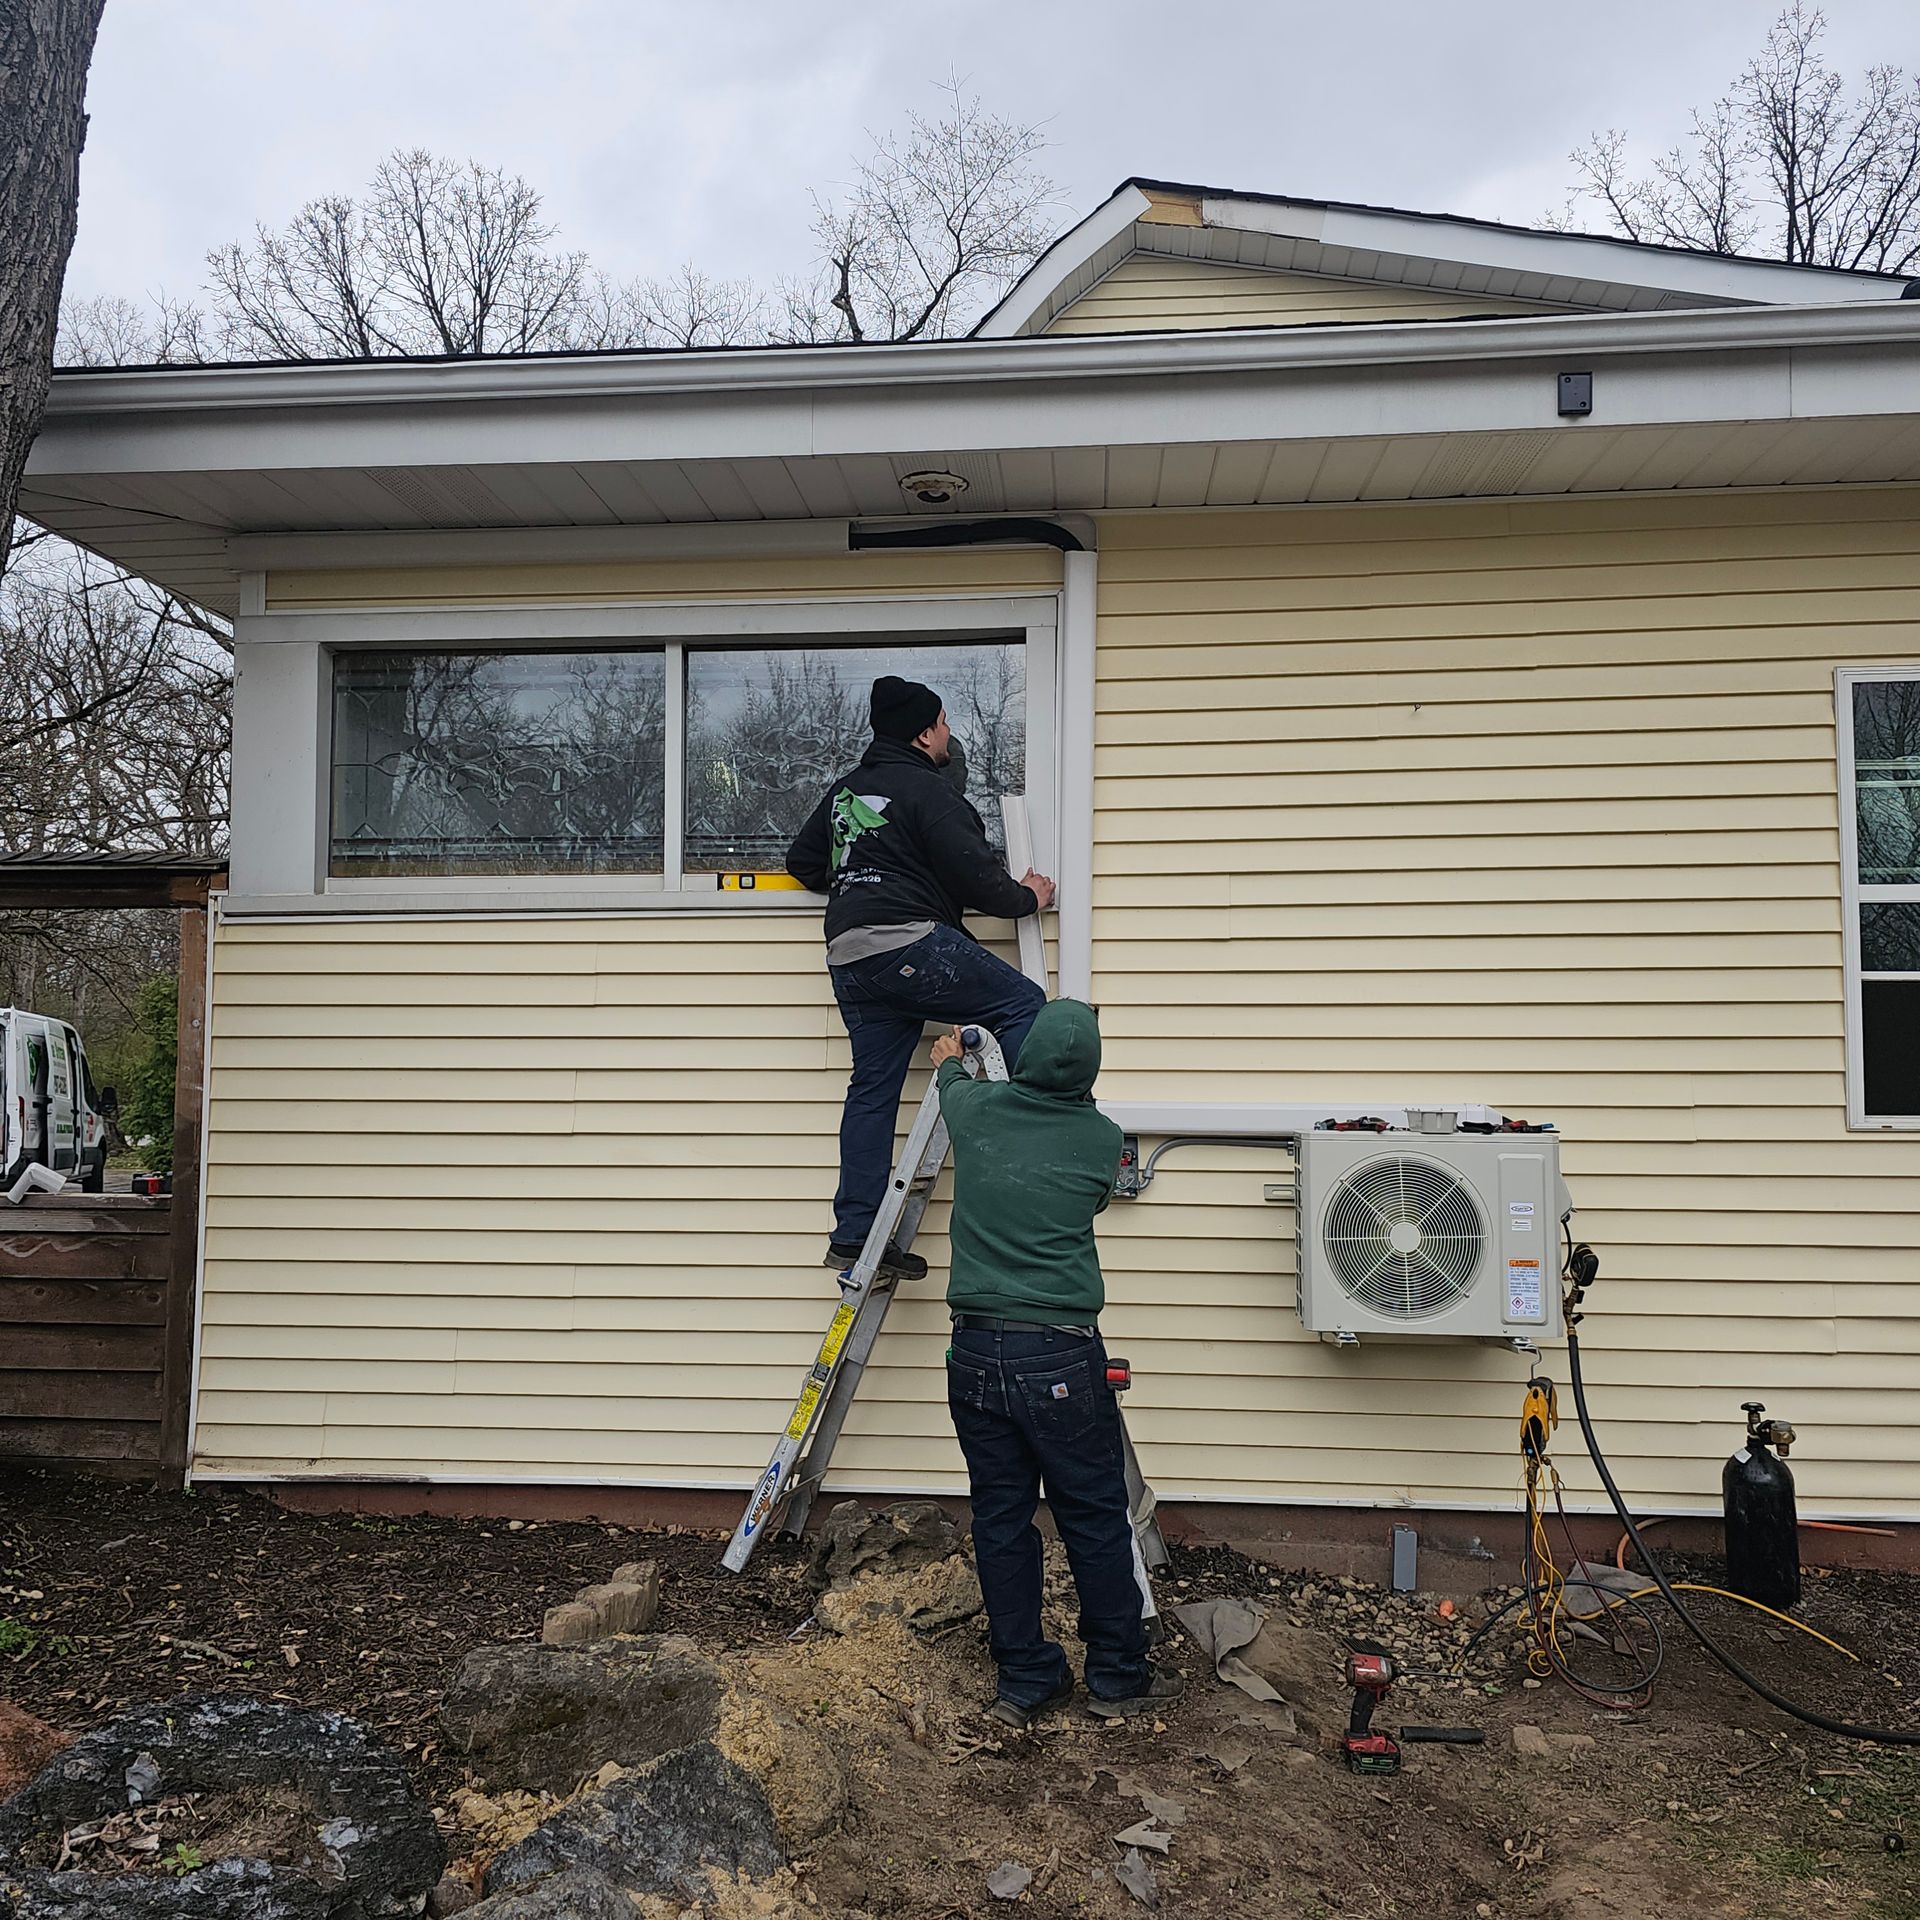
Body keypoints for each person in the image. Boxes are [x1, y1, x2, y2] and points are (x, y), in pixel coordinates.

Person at [931, 1000, 1183, 1725]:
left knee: (1001, 1519)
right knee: (1094, 1517)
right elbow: (1099, 1197)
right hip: (1061, 1357)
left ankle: (1025, 1680)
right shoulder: (1101, 1140)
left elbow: (949, 1078)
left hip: (974, 1350)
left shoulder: (974, 1110)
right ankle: (1115, 1674)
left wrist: (951, 1057)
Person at [786, 674, 1053, 1279]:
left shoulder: (846, 792)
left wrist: (866, 875)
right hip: (906, 941)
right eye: (945, 724)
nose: (950, 734)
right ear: (925, 731)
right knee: (1023, 1003)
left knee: (873, 1089)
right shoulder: (928, 792)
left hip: (850, 956)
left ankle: (855, 1236)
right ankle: (1030, 1157)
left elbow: (803, 864)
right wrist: (1028, 898)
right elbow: (976, 879)